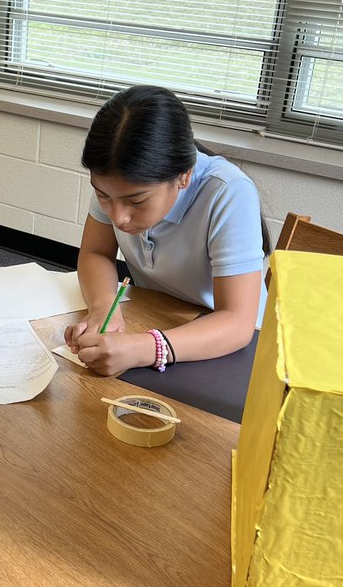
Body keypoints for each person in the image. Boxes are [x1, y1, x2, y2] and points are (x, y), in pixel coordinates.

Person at [65, 84, 267, 376]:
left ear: (183, 176)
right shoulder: (117, 182)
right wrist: (102, 307)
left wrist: (142, 349)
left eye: (137, 200)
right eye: (103, 196)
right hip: (159, 319)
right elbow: (96, 253)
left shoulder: (229, 192)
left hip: (225, 347)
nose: (119, 217)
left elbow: (237, 323)